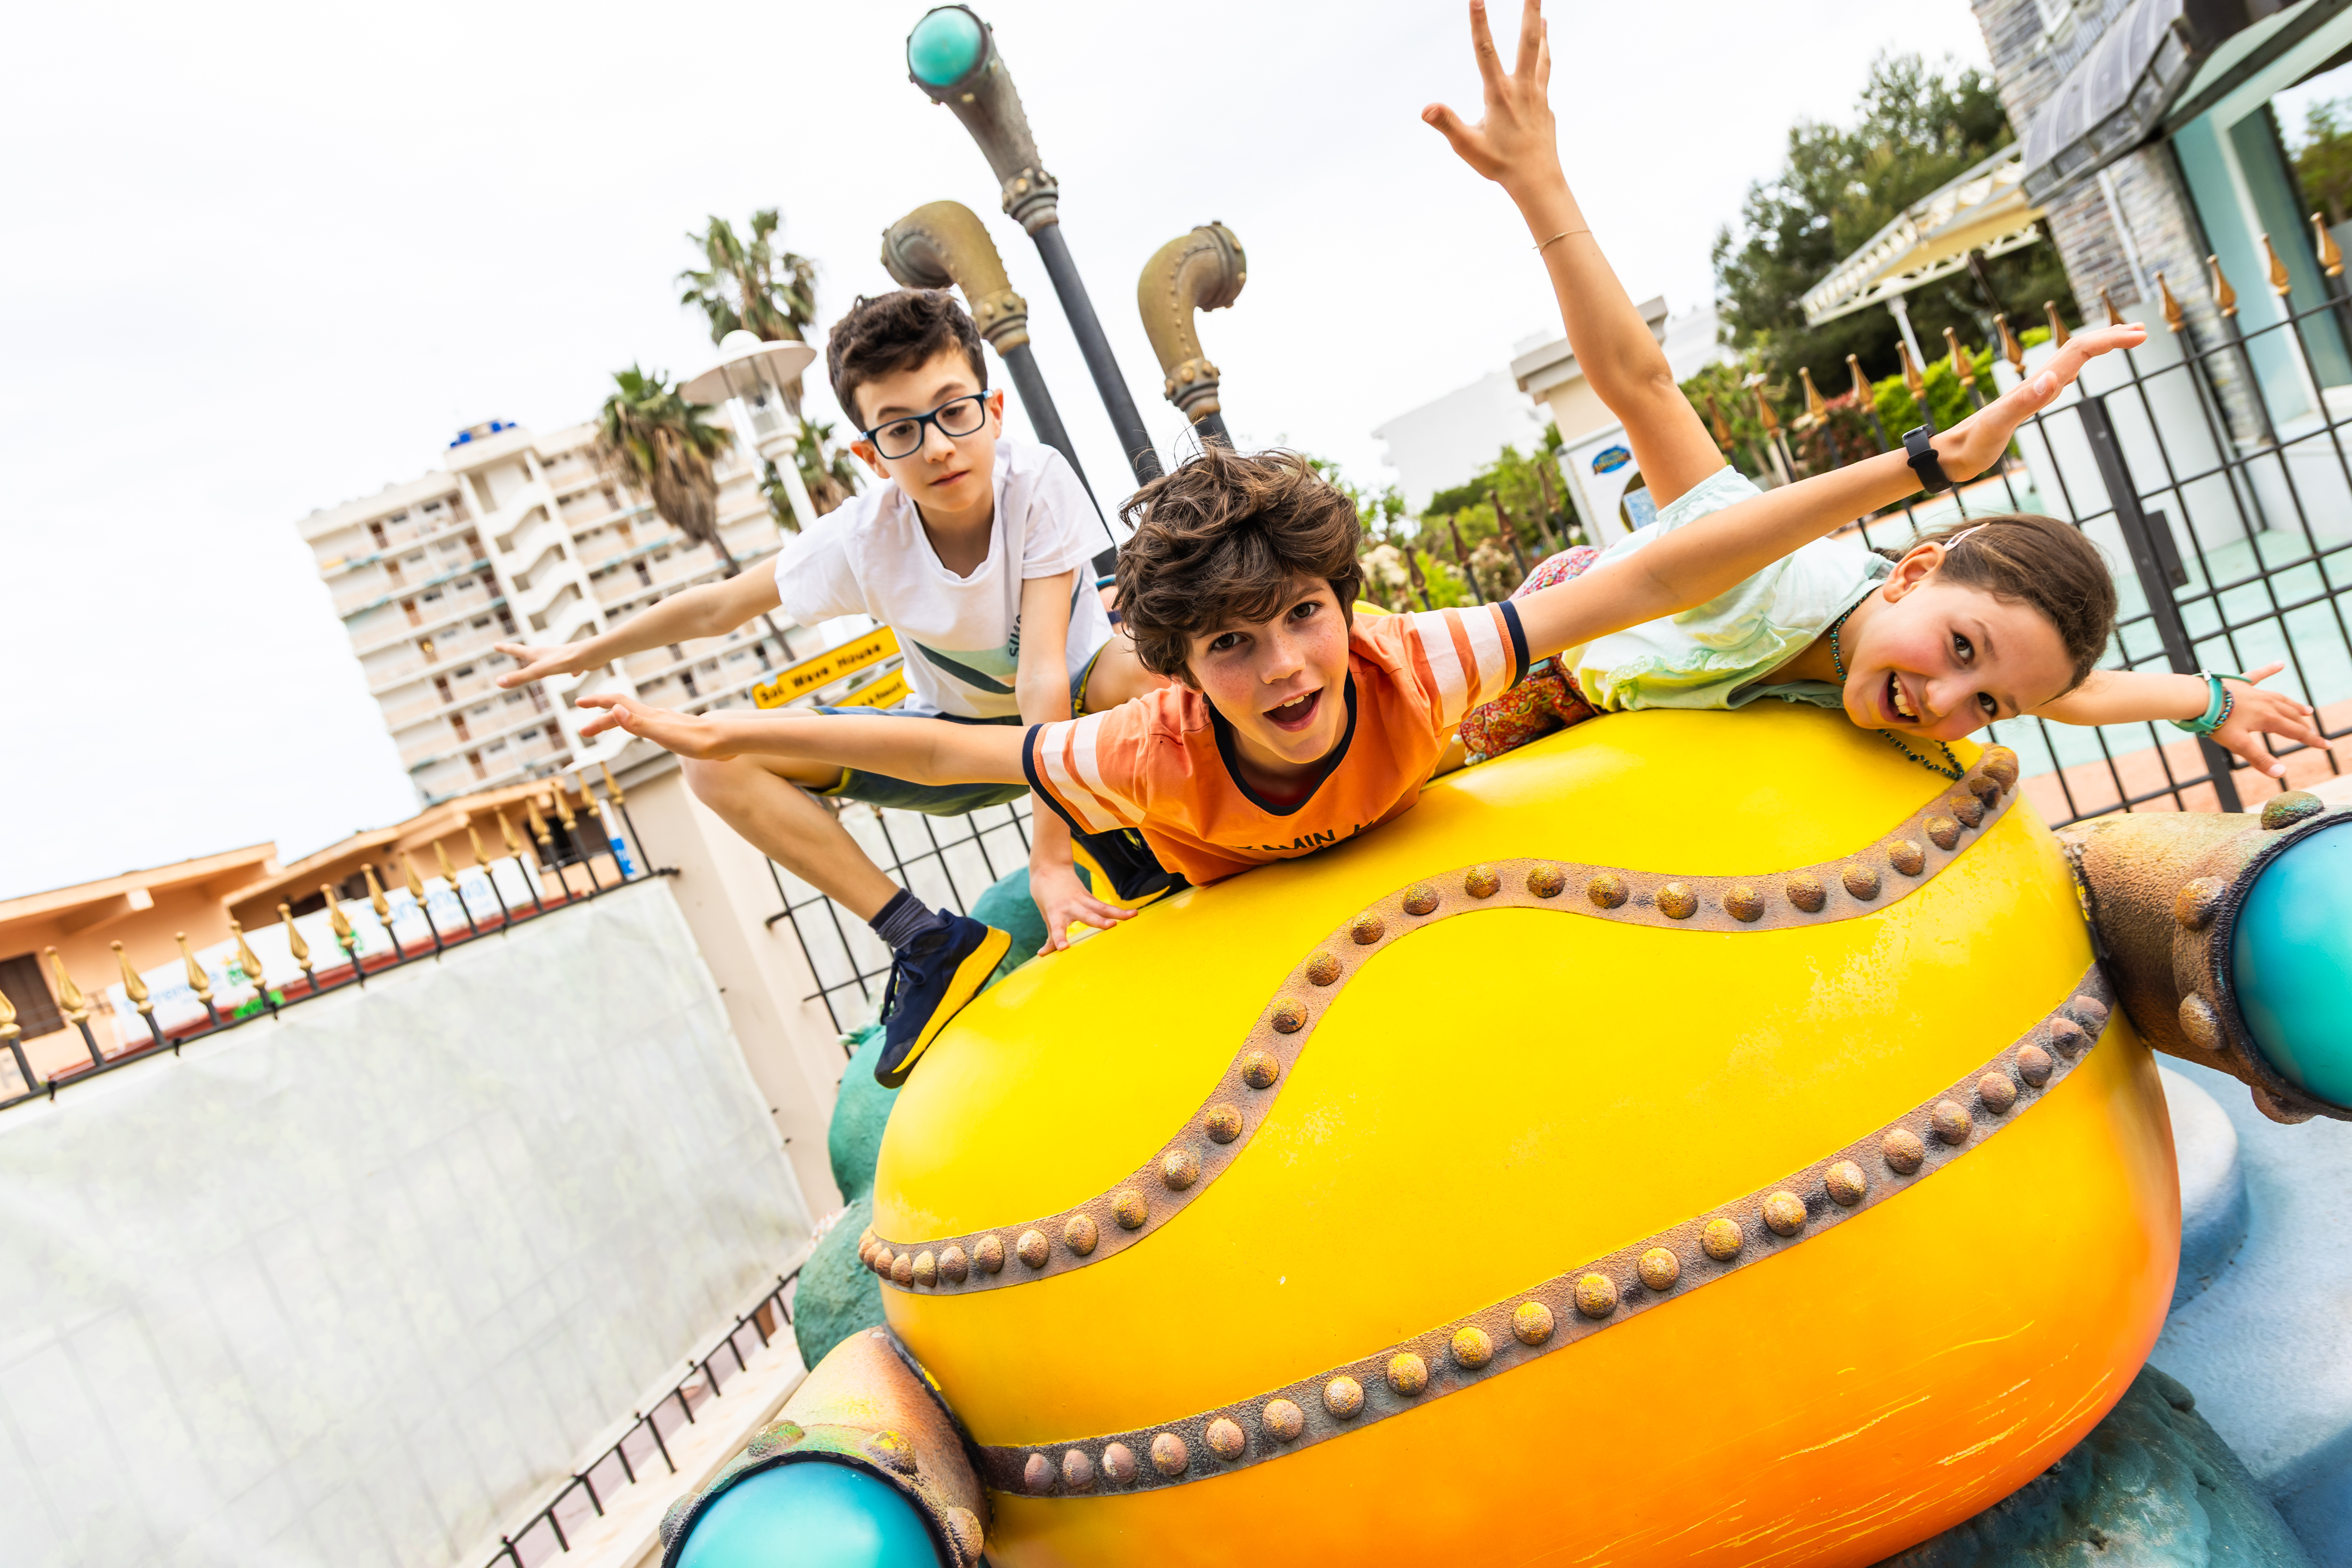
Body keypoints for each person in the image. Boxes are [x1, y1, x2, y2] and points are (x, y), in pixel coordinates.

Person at [1424, 0, 2326, 780]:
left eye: (1990, 706)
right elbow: (1642, 384)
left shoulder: (1957, 654)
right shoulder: (1762, 578)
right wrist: (1538, 181)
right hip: (1566, 668)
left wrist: (2209, 699)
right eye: (1963, 651)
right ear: (1914, 570)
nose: (1948, 702)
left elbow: (2076, 694)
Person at [493, 289, 1157, 1085]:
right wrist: (580, 652)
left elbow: (1045, 673)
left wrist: (1051, 861)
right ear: (871, 454)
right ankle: (926, 942)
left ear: (994, 408)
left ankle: (1128, 829)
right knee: (715, 760)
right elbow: (719, 606)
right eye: (902, 428)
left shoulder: (1035, 481)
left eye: (954, 412)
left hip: (1079, 724)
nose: (939, 445)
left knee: (1139, 665)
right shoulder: (866, 536)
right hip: (955, 744)